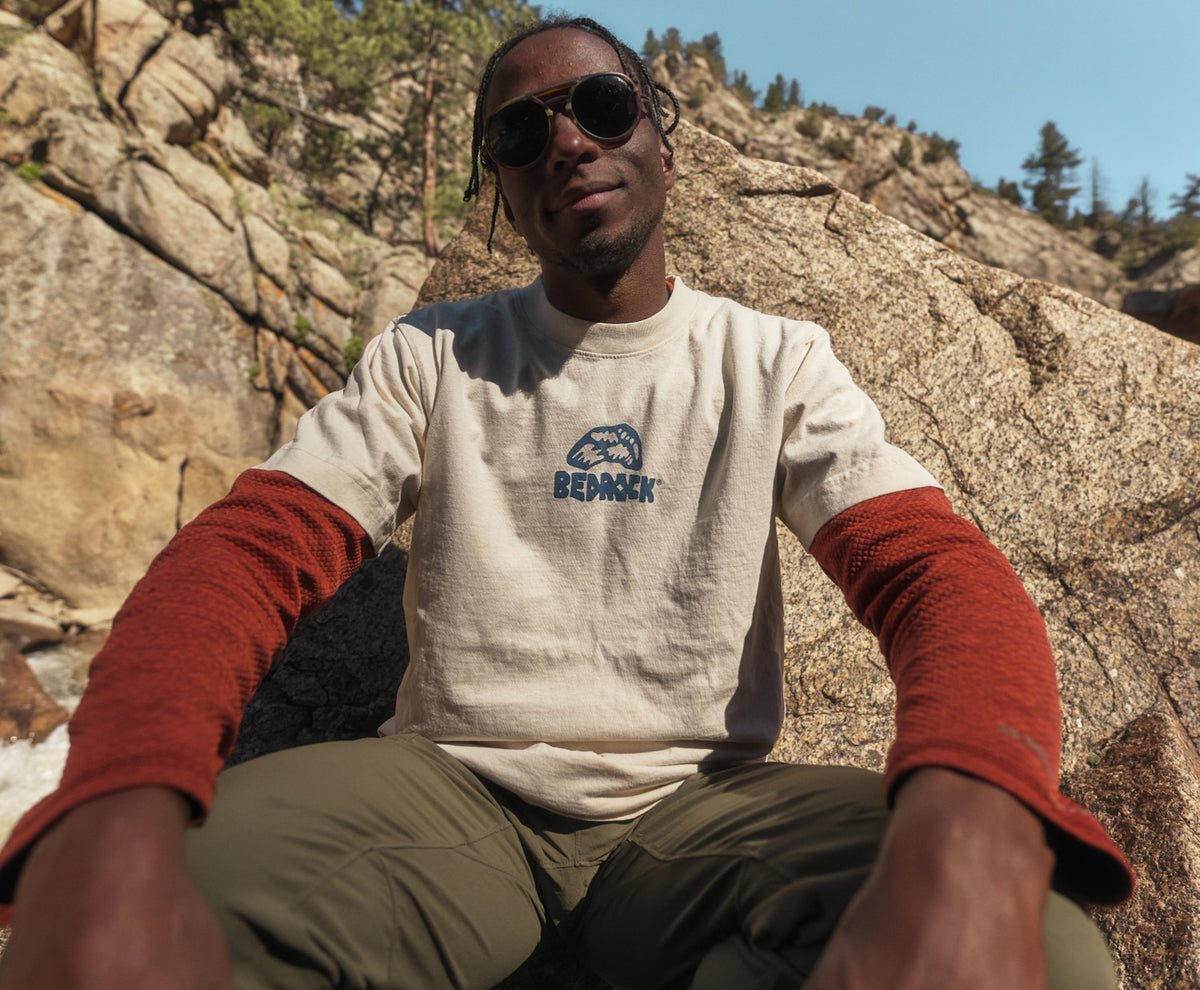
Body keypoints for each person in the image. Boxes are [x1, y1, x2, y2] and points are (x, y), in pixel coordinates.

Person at [0, 15, 1131, 990]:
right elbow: (249, 556)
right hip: (449, 794)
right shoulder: (431, 357)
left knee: (1045, 950)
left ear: (662, 138)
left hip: (705, 809)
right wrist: (112, 806)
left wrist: (975, 817)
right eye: (519, 131)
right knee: (131, 915)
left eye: (601, 103)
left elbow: (933, 574)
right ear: (499, 186)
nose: (569, 140)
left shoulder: (776, 360)